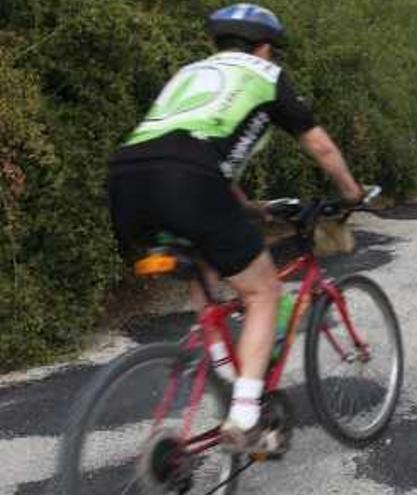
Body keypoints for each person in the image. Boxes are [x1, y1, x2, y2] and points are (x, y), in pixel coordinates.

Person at [107, 3, 363, 452]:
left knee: (203, 270)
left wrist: (253, 208)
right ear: (264, 47)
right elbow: (320, 146)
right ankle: (245, 415)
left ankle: (226, 373)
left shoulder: (189, 73)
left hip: (127, 182)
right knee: (263, 292)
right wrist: (350, 192)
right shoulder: (264, 75)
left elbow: (186, 149)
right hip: (191, 183)